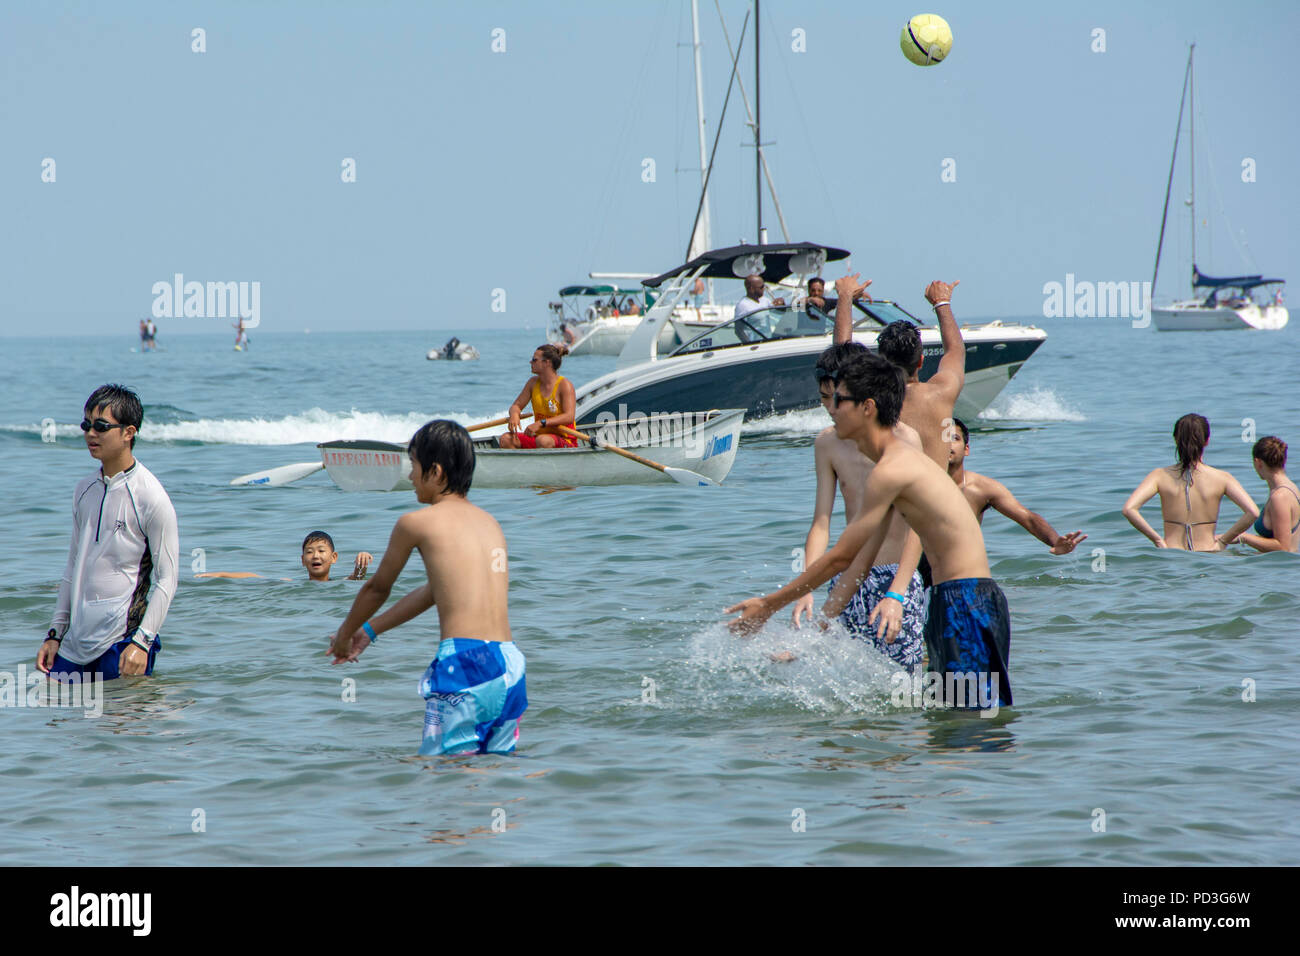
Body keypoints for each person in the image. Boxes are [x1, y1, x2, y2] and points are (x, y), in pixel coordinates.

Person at [727, 352, 1012, 709]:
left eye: (840, 399)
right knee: (949, 728)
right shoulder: (886, 469)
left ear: (867, 408)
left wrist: (768, 606)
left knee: (972, 728)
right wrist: (814, 637)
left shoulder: (892, 469)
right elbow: (857, 564)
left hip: (966, 600)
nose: (831, 406)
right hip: (947, 600)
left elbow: (841, 557)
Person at [327, 420, 527, 756]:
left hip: (465, 663)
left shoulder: (416, 523)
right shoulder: (490, 524)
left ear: (435, 472)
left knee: (442, 775)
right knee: (496, 773)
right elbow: (438, 590)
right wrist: (369, 631)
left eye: (414, 467)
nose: (409, 477)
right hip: (509, 664)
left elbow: (377, 587)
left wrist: (345, 634)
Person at [792, 342, 929, 675]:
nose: (830, 408)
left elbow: (918, 526)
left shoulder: (903, 440)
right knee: (846, 683)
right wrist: (806, 587)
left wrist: (897, 592)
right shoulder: (826, 444)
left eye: (837, 398)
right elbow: (821, 522)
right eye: (824, 398)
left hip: (895, 575)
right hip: (847, 577)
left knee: (902, 685)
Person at [36, 385, 178, 681]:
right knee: (55, 719)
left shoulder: (151, 496)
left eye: (101, 426)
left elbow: (168, 578)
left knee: (123, 724)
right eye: (86, 425)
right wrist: (54, 633)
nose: (90, 433)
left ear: (129, 432)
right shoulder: (83, 490)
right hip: (74, 645)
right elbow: (73, 566)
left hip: (124, 644)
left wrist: (143, 642)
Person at [947, 417, 1087, 554]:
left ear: (966, 449)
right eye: (941, 439)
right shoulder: (924, 486)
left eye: (954, 438)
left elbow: (1028, 518)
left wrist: (1055, 541)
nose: (947, 443)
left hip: (963, 566)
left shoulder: (981, 488)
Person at [1122, 414, 1258, 551]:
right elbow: (1253, 512)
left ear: (1176, 440)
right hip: (1209, 554)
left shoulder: (1159, 476)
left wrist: (1157, 540)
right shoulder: (1223, 478)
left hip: (1172, 554)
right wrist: (1223, 541)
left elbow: (1129, 509)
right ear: (1207, 441)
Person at [195, 531, 373, 581]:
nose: (315, 556)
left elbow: (356, 579)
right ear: (302, 561)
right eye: (309, 552)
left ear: (334, 557)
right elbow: (254, 577)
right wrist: (219, 574)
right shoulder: (293, 584)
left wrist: (361, 565)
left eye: (320, 550)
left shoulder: (340, 583)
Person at [498, 344, 578, 449]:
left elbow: (569, 416)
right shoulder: (532, 383)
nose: (530, 362)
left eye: (534, 360)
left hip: (565, 439)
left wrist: (542, 423)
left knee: (543, 441)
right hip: (539, 437)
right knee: (505, 439)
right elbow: (516, 406)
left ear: (546, 363)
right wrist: (514, 415)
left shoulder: (565, 385)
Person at [1233, 436, 1300, 553]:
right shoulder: (1290, 488)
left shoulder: (1280, 497)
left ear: (1258, 463)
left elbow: (1283, 547)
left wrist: (1243, 537)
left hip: (1278, 569)